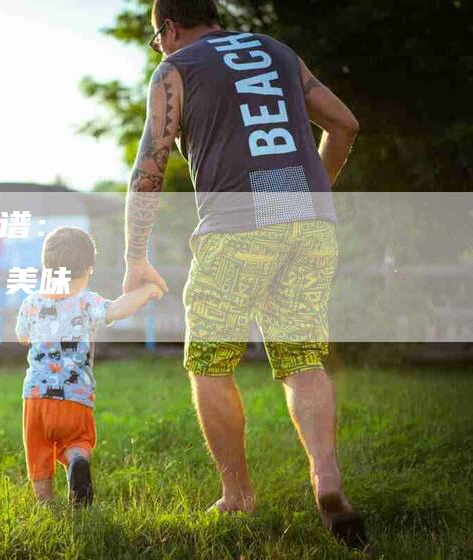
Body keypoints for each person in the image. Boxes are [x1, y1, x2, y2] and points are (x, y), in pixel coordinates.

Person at [121, 0, 367, 549]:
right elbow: (345, 124)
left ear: (169, 28)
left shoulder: (175, 69)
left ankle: (236, 495)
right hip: (311, 225)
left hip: (236, 227)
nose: (159, 49)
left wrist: (135, 254)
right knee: (301, 357)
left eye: (157, 40)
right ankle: (326, 480)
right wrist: (313, 193)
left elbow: (150, 168)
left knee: (210, 361)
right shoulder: (277, 51)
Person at [15, 226, 163, 505]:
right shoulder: (86, 302)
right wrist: (146, 290)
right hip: (76, 396)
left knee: (39, 451)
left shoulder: (31, 303)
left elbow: (22, 337)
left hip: (35, 397)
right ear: (88, 270)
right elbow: (118, 309)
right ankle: (77, 461)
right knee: (78, 441)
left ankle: (45, 502)